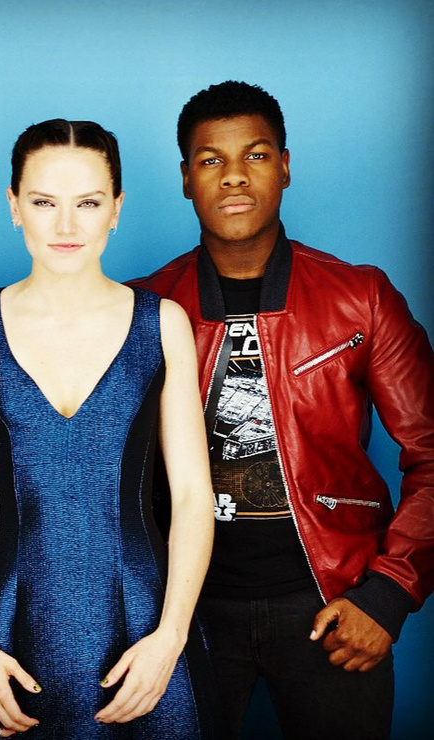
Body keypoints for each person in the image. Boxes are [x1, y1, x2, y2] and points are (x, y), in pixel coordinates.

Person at [130, 80, 434, 739]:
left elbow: (432, 454)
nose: (234, 176)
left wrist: (389, 594)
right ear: (185, 179)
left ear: (286, 166)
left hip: (332, 603)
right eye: (211, 160)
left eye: (257, 155)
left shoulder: (361, 298)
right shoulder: (140, 309)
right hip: (181, 612)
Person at [0, 119, 216, 739]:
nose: (66, 226)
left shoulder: (163, 324)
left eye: (87, 203)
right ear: (14, 207)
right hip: (4, 629)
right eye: (43, 203)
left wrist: (169, 636)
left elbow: (195, 496)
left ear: (117, 209)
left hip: (142, 630)